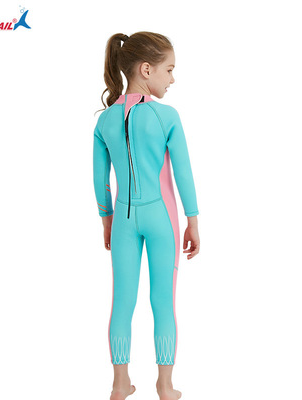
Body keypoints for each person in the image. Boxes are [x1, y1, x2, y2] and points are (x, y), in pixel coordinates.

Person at [93, 31, 200, 400]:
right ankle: (165, 386)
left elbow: (100, 180)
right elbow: (182, 173)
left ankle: (119, 384)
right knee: (162, 302)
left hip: (123, 221)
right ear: (146, 69)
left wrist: (106, 220)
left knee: (121, 302)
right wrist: (193, 220)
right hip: (162, 220)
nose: (173, 78)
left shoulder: (105, 121)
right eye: (169, 69)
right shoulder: (166, 115)